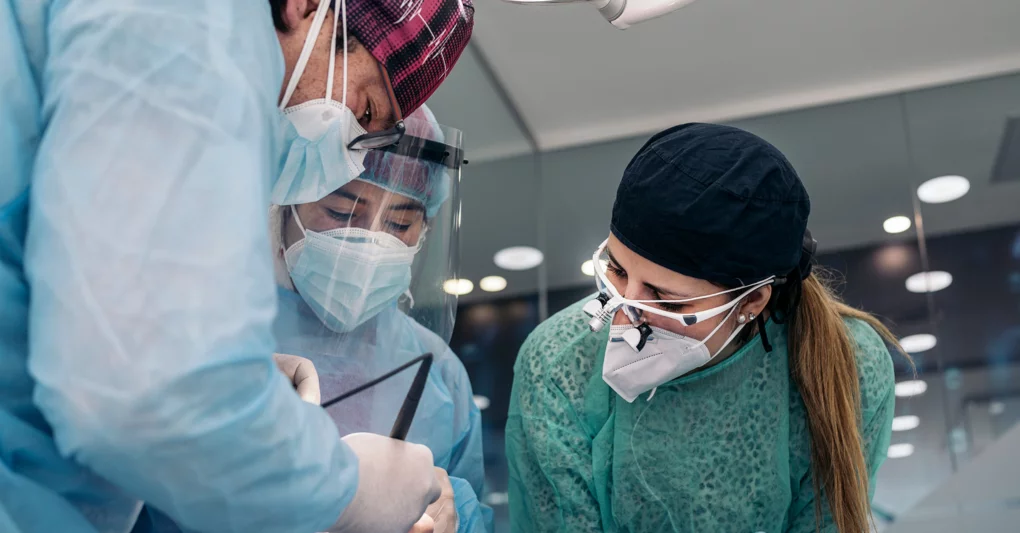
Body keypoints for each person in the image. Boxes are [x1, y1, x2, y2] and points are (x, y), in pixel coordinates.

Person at [0, 0, 472, 532]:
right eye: (362, 112)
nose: (348, 154)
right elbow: (139, 393)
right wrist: (342, 492)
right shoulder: (188, 23)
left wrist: (229, 374)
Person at [505, 123, 903, 533]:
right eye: (618, 271)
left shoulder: (848, 365)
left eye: (666, 298)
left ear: (751, 302)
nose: (625, 315)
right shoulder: (557, 364)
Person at [270, 104, 492, 533]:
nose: (370, 241)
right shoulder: (219, 338)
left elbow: (471, 511)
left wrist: (452, 513)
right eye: (341, 213)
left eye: (399, 221)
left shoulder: (437, 371)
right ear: (283, 204)